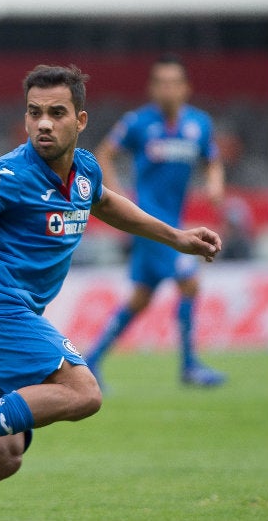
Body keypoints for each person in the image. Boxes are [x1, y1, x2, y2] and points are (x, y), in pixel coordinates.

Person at [0, 65, 221, 520]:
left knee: (2, 456)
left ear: (81, 120)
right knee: (84, 392)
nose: (44, 124)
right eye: (35, 113)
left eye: (56, 112)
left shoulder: (85, 169)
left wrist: (177, 237)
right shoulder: (12, 173)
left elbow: (108, 204)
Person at [84, 55, 226, 388]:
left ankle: (91, 360)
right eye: (161, 83)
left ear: (186, 88)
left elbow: (213, 160)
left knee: (141, 298)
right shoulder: (138, 123)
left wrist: (215, 185)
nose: (167, 89)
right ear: (151, 89)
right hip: (149, 223)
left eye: (173, 82)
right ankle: (189, 366)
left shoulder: (199, 124)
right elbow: (104, 154)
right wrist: (117, 197)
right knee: (189, 282)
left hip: (174, 220)